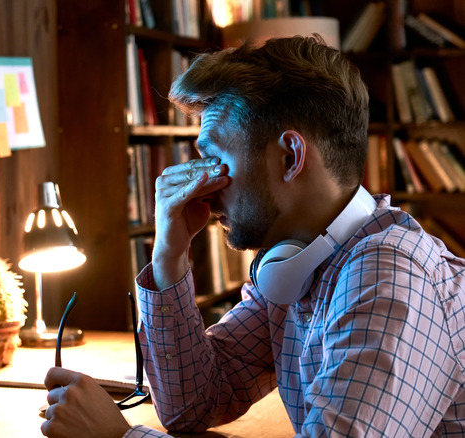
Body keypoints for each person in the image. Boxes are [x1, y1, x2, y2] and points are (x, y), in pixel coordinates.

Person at [41, 35, 465, 438]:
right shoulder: (296, 266)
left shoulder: (386, 274)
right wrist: (170, 254)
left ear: (290, 157)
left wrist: (119, 436)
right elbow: (193, 404)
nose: (202, 185)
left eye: (214, 159)